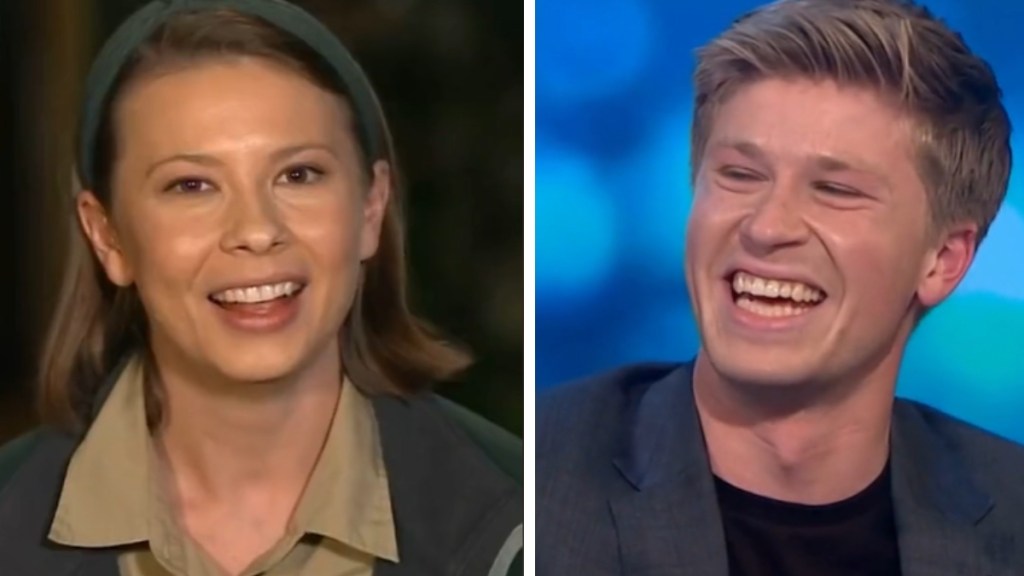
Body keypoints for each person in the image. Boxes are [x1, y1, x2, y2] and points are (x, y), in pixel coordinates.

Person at [0, 1, 522, 575]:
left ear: (371, 208)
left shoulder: (530, 517)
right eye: (191, 185)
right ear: (109, 237)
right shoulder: (10, 517)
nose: (256, 231)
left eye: (298, 175)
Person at [537, 0, 1024, 574]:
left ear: (943, 261)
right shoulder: (541, 484)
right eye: (740, 176)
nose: (768, 227)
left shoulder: (1009, 515)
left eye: (836, 190)